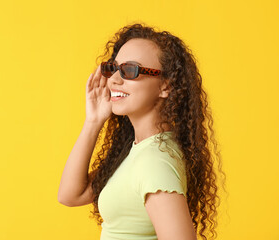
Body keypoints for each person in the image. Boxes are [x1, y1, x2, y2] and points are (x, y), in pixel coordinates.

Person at [58, 22, 226, 240]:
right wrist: (93, 121)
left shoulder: (155, 162)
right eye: (113, 68)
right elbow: (71, 195)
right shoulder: (139, 150)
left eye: (130, 70)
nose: (114, 80)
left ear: (166, 86)